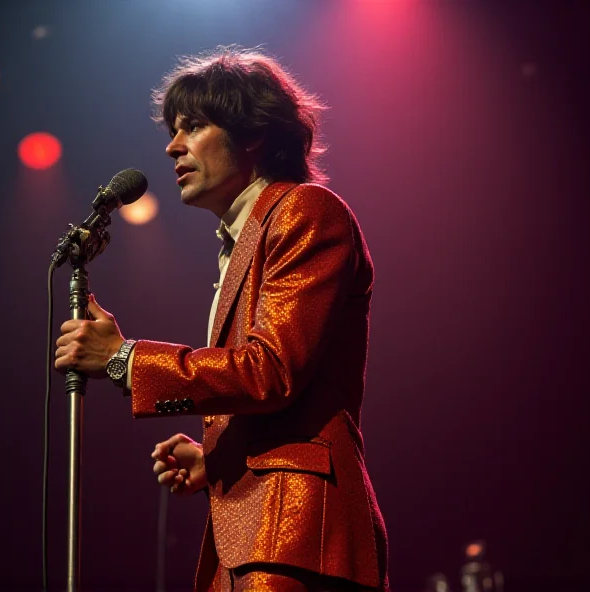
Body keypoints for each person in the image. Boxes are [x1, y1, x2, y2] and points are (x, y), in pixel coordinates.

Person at [55, 46, 389, 592]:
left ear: (252, 132)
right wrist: (219, 456)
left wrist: (123, 358)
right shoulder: (240, 239)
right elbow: (287, 397)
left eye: (194, 126)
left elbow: (271, 370)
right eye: (172, 129)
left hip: (297, 534)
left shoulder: (305, 211)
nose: (172, 146)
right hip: (258, 530)